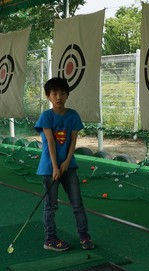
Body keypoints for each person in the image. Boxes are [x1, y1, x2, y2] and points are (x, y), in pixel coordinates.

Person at [34, 77, 94, 251]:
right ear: (48, 96)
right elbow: (50, 142)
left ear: (67, 95)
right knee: (51, 206)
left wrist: (67, 161)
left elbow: (73, 141)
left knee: (77, 203)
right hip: (48, 167)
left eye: (62, 93)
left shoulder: (73, 115)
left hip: (69, 166)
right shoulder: (46, 116)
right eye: (54, 93)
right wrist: (55, 166)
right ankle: (50, 239)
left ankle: (84, 236)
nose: (58, 96)